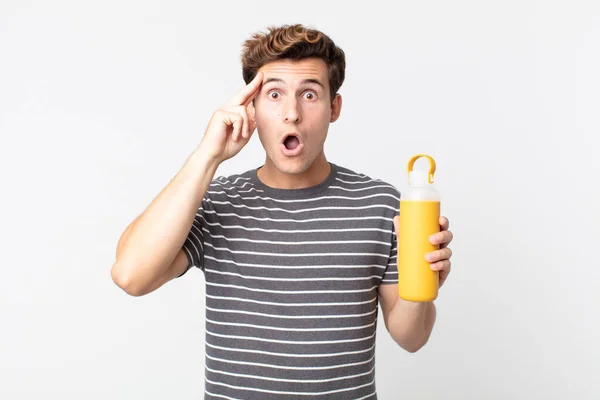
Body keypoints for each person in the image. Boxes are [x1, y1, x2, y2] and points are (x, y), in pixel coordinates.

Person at [111, 23, 454, 399]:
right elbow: (130, 276)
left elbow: (412, 338)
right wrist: (207, 156)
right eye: (274, 94)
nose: (292, 113)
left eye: (310, 94)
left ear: (333, 107)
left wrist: (420, 283)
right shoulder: (217, 200)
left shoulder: (381, 204)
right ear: (251, 107)